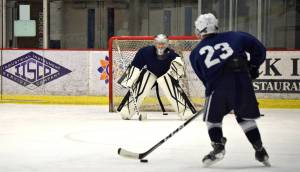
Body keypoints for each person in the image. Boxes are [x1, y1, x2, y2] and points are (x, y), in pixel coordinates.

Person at [189, 13, 270, 167]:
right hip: (242, 83)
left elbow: (205, 79)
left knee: (212, 120)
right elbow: (259, 49)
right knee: (245, 118)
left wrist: (216, 95)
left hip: (218, 86)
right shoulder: (235, 36)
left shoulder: (195, 53)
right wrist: (252, 68)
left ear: (199, 30)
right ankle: (260, 151)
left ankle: (218, 147)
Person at [117, 34, 196, 120]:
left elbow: (179, 67)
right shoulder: (145, 52)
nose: (160, 46)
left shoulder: (172, 54)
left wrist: (175, 71)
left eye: (163, 44)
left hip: (165, 76)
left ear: (166, 44)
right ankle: (128, 110)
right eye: (159, 43)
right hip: (151, 73)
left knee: (169, 85)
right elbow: (135, 66)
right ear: (155, 43)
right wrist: (129, 79)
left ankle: (183, 111)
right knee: (142, 84)